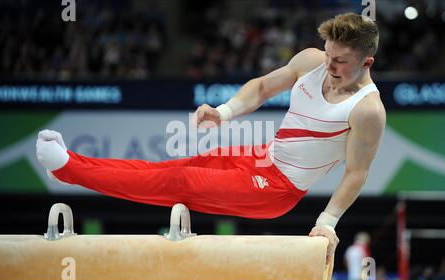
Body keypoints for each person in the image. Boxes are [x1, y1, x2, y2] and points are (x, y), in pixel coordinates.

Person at [36, 13, 386, 264]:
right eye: (327, 54)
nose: (328, 65)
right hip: (259, 157)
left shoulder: (367, 109)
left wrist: (326, 223)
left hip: (277, 189)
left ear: (367, 61)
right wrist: (225, 112)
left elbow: (357, 171)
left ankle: (67, 168)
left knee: (177, 181)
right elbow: (263, 87)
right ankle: (69, 166)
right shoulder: (311, 61)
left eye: (339, 61)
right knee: (168, 169)